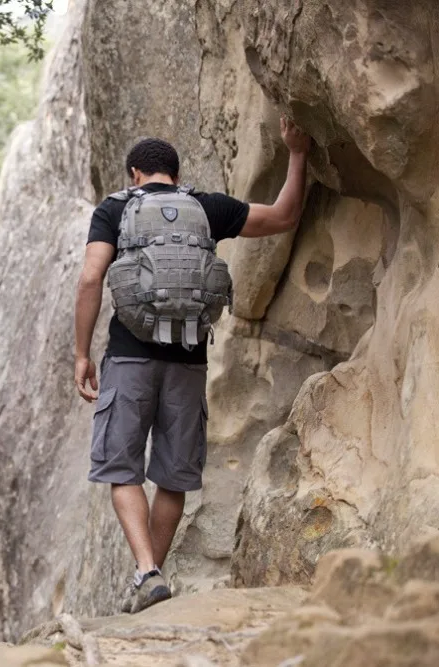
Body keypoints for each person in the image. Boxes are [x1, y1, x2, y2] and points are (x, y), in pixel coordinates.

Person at [73, 116, 312, 613]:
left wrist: (80, 354)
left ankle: (146, 572)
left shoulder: (115, 208)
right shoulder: (207, 208)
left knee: (122, 469)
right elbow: (285, 216)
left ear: (135, 174)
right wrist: (296, 152)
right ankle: (150, 587)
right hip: (188, 361)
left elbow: (91, 278)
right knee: (174, 477)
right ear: (176, 176)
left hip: (130, 356)